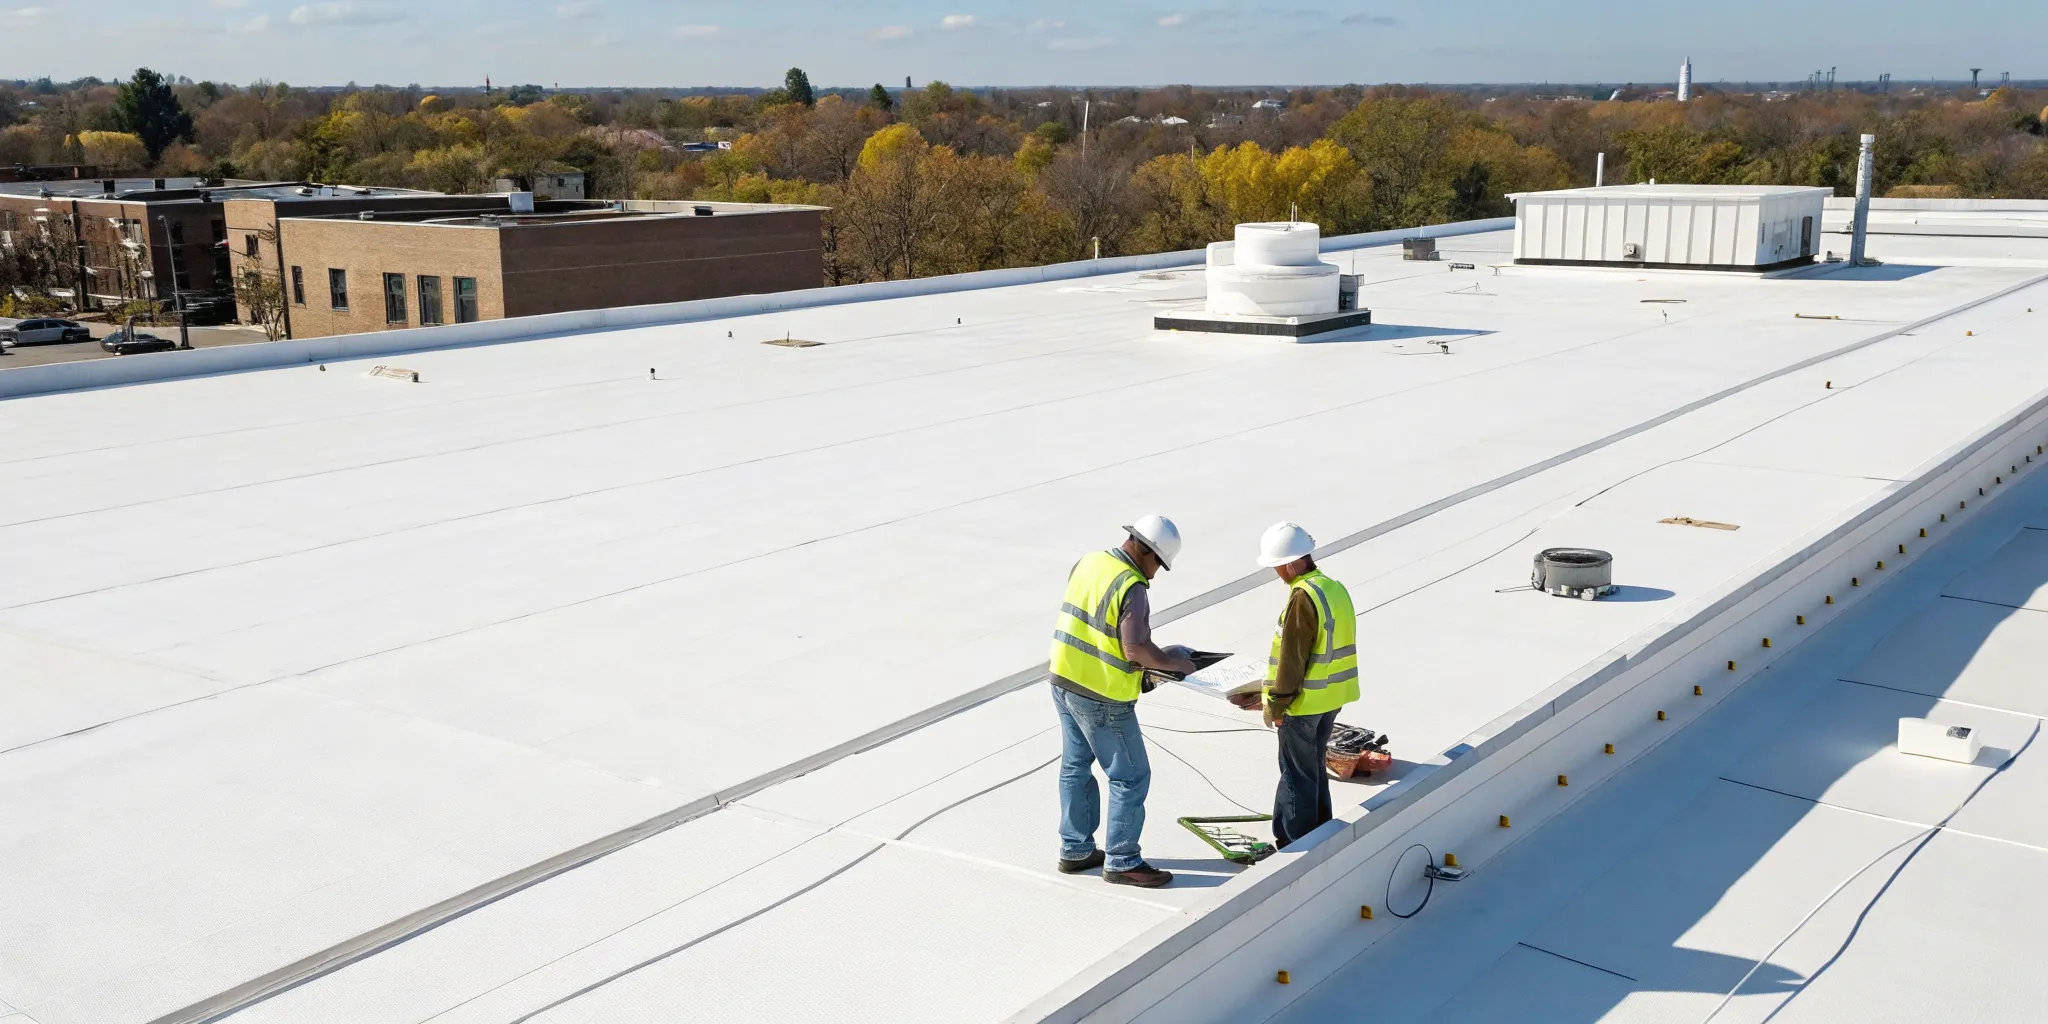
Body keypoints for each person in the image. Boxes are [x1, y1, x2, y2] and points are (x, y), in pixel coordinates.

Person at [1047, 515, 1199, 888]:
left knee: (1075, 766)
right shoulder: (1132, 585)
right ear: (1145, 551)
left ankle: (1076, 849)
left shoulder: (1090, 561)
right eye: (1158, 564)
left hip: (1065, 680)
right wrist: (1174, 663)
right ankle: (1122, 859)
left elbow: (1096, 626)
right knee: (1130, 776)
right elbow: (1134, 647)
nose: (1156, 573)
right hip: (1103, 696)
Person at [1231, 522, 1360, 849]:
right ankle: (1321, 831)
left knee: (1296, 775)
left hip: (1303, 704)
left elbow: (1292, 658)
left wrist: (1277, 703)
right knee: (1312, 768)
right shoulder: (1334, 588)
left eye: (1276, 566)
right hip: (1332, 697)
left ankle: (1295, 843)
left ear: (1290, 563)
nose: (1277, 572)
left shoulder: (1303, 597)